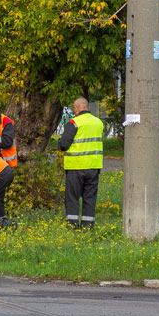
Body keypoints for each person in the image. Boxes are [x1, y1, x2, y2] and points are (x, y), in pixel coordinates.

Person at [58, 97, 104, 228]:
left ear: (76, 109)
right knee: (90, 198)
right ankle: (88, 226)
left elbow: (65, 144)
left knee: (72, 198)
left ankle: (72, 226)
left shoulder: (74, 122)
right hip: (94, 166)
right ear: (88, 107)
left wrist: (60, 144)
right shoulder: (98, 122)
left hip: (76, 166)